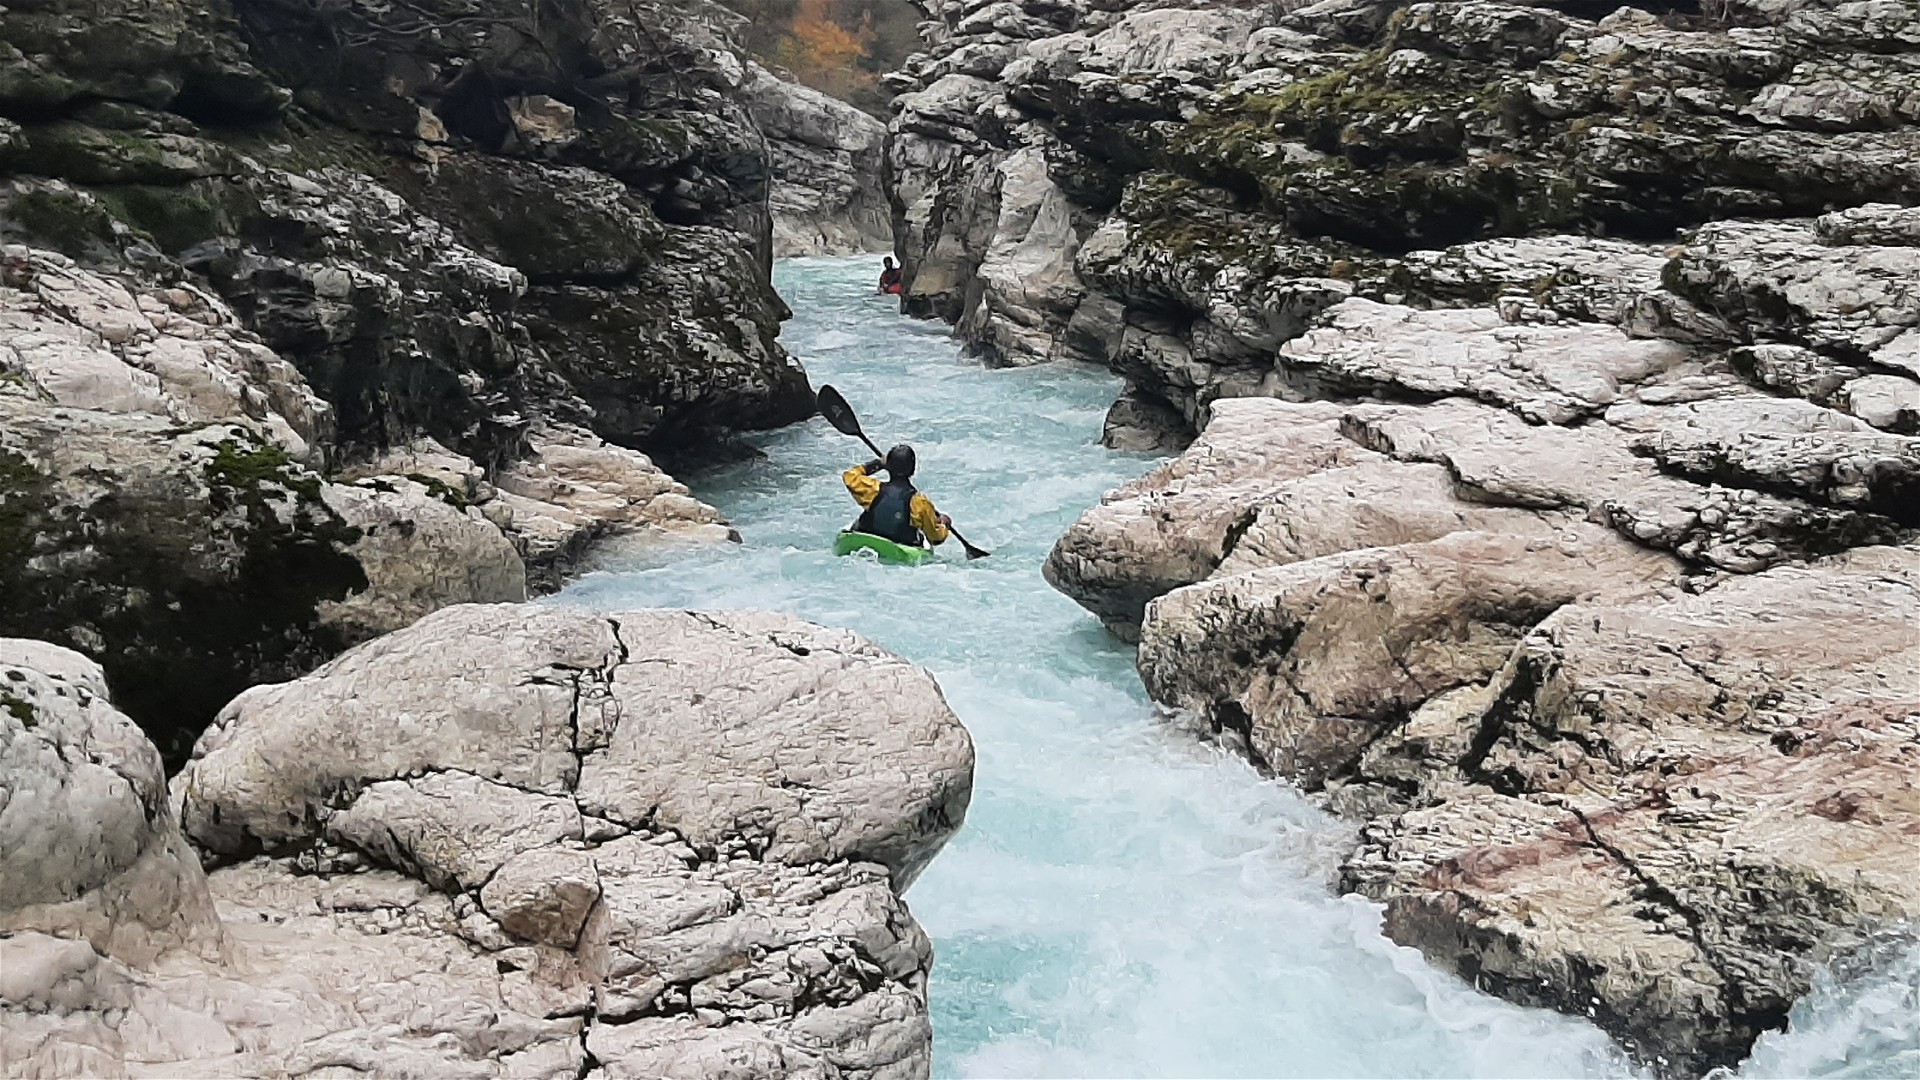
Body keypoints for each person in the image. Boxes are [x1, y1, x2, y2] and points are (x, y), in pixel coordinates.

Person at [843, 443, 951, 548]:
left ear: (888, 466)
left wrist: (879, 464)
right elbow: (935, 538)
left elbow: (849, 476)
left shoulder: (873, 489)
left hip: (866, 536)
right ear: (913, 470)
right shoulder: (920, 502)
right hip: (900, 547)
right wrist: (943, 525)